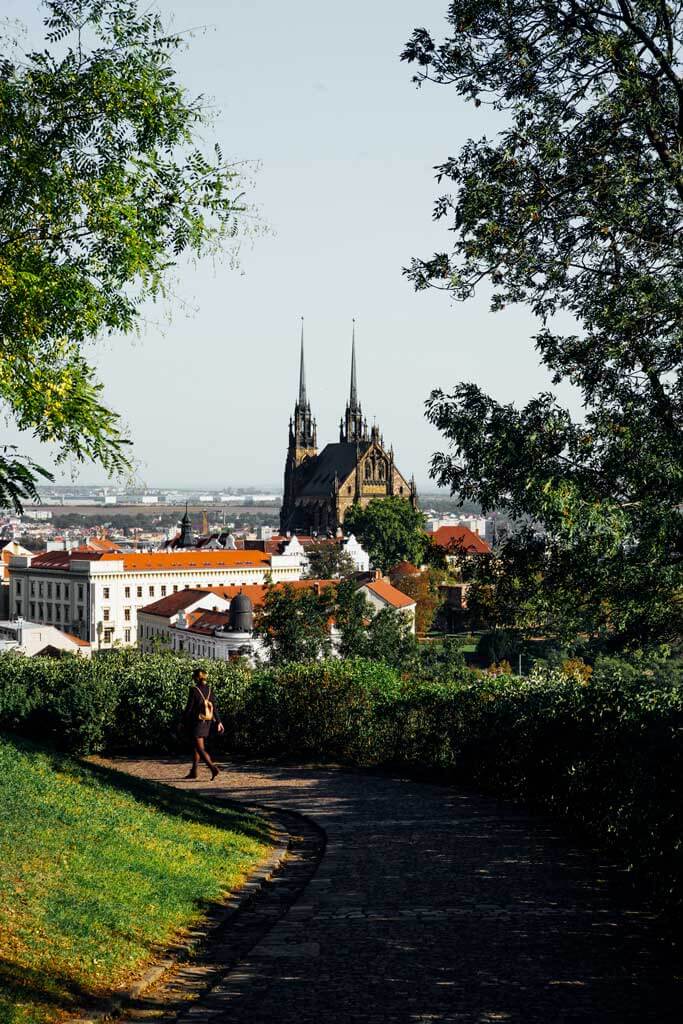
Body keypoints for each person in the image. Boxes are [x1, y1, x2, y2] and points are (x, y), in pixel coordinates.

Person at [183, 667, 224, 780]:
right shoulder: (209, 690)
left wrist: (182, 721)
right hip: (208, 722)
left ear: (197, 677)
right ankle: (194, 772)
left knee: (200, 748)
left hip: (197, 722)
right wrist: (219, 722)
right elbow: (214, 707)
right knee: (196, 747)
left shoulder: (194, 690)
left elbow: (189, 708)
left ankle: (212, 768)